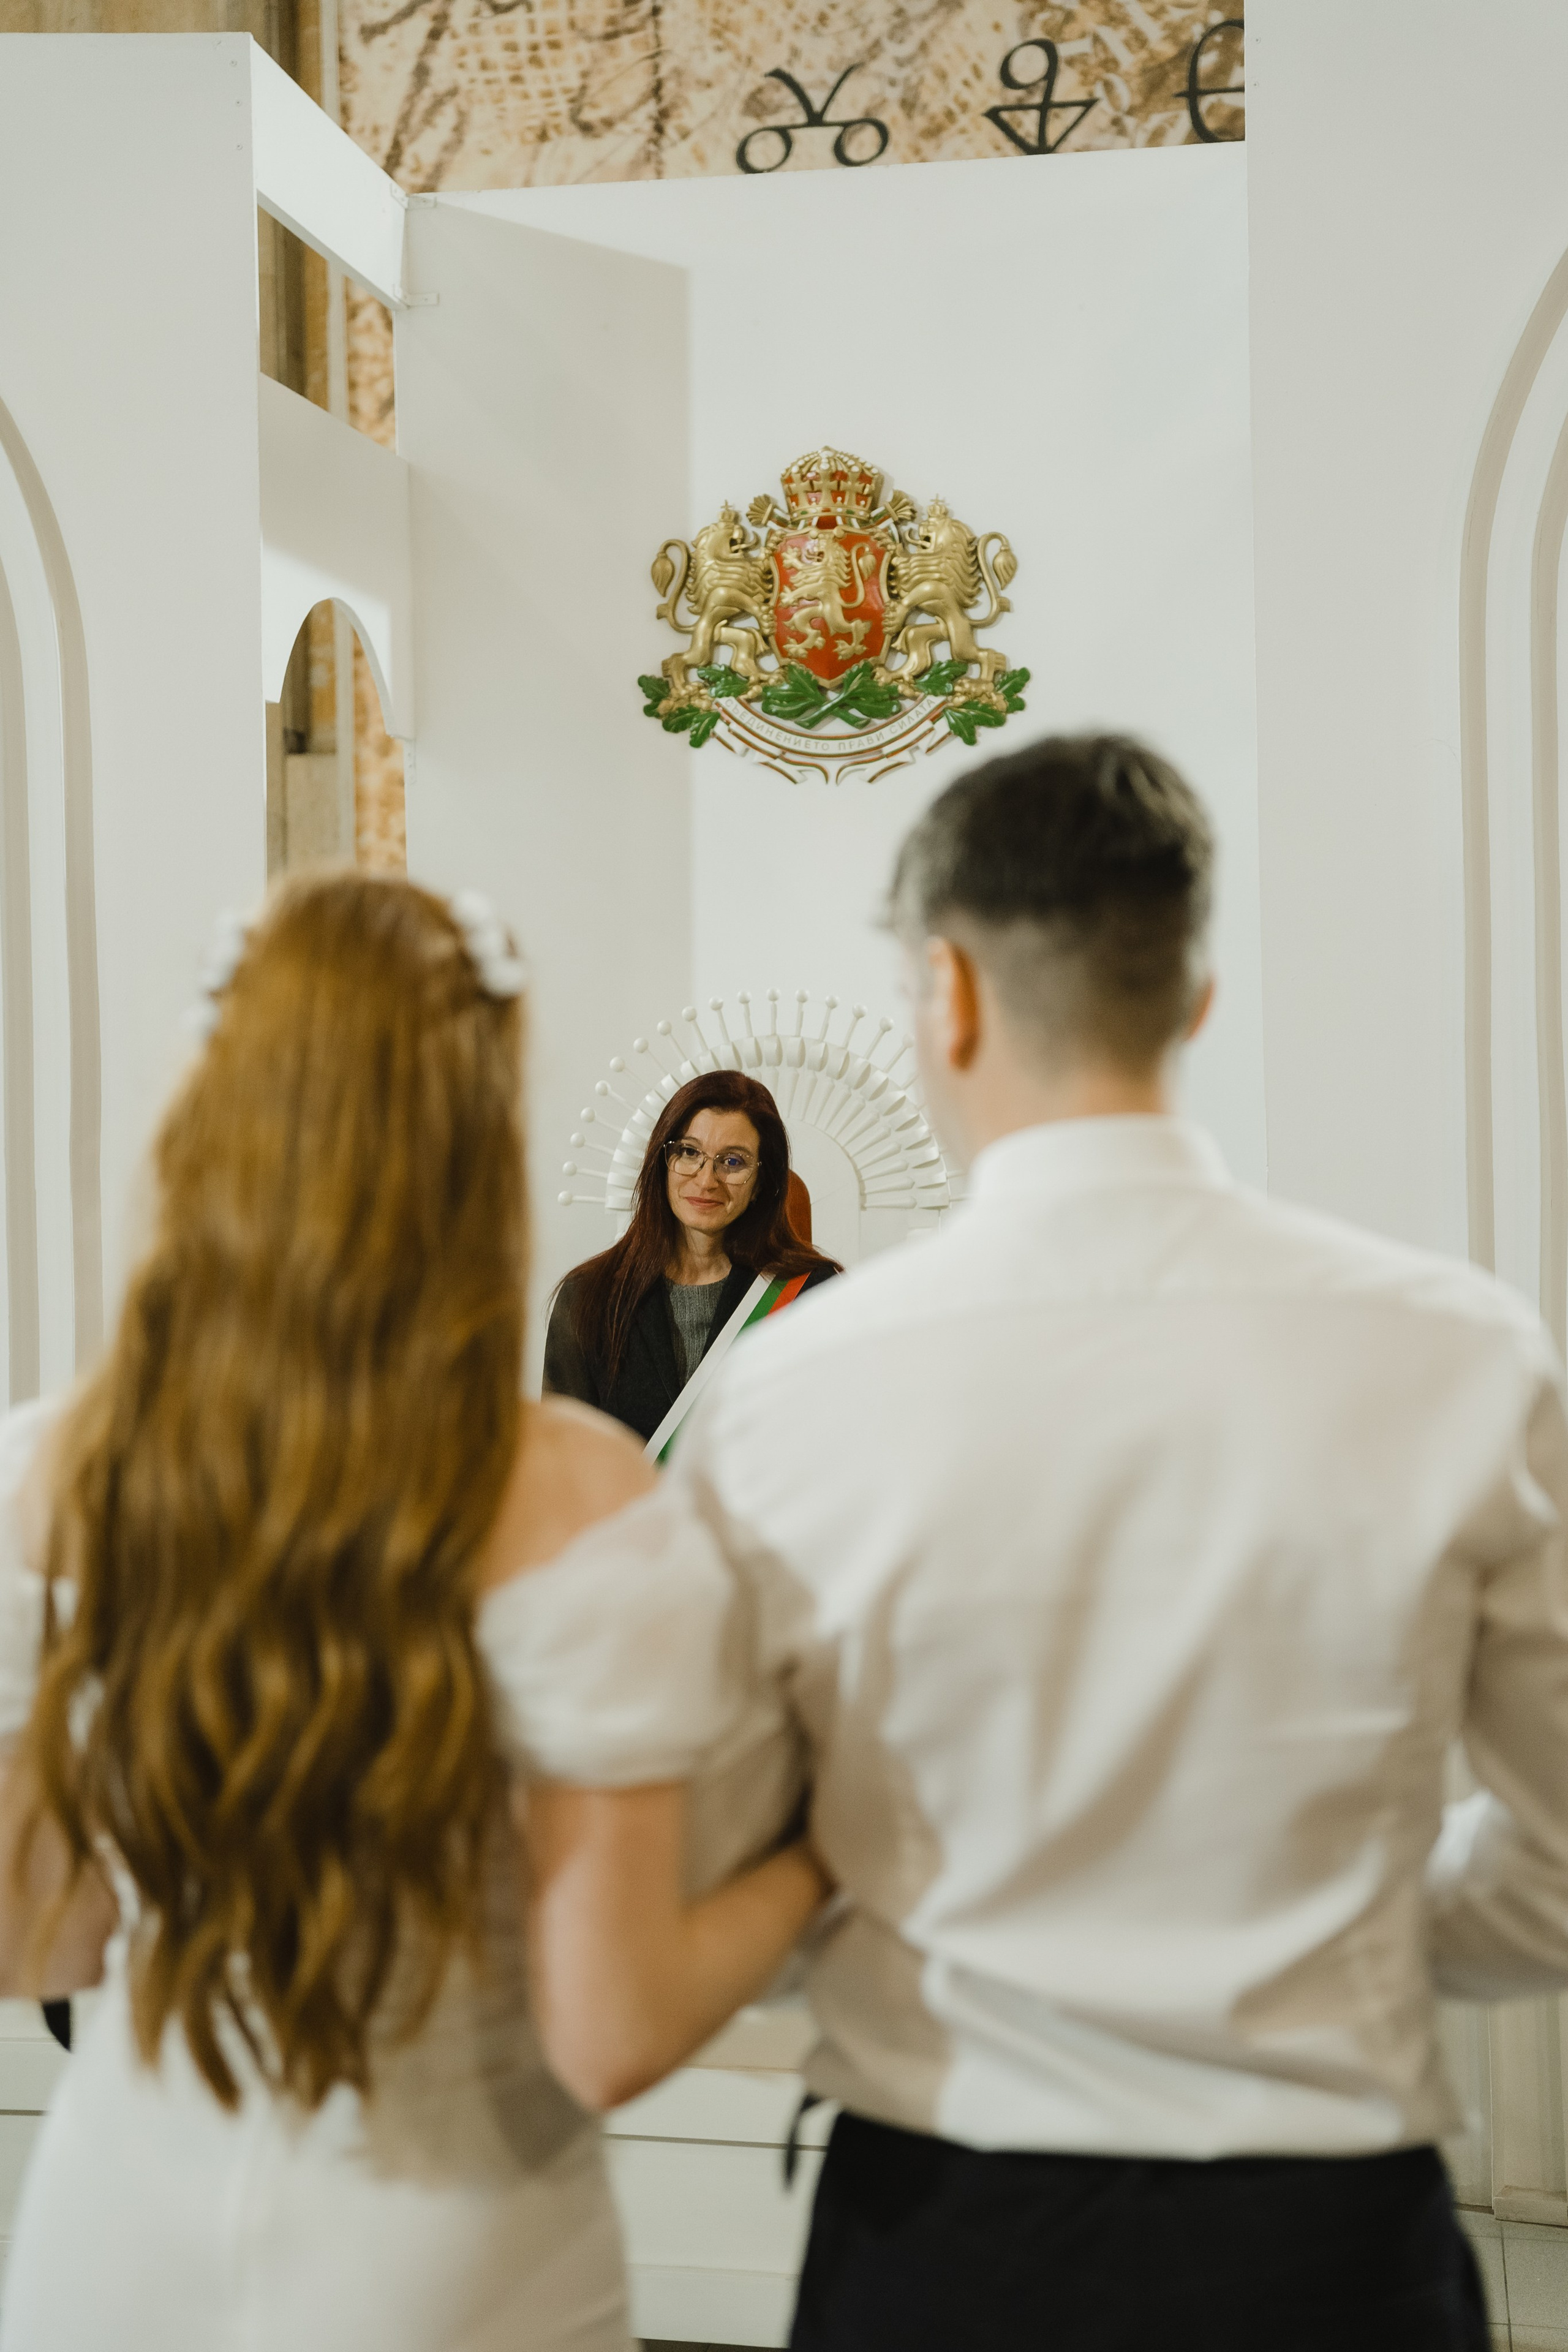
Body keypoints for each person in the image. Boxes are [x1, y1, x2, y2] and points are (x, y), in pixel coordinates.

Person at [664, 734, 1568, 2351]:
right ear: (1195, 997)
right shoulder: (1462, 1352)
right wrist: (1354, 1917)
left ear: (944, 990)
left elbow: (714, 1848)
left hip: (945, 2238)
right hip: (1335, 2246)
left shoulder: (794, 1387)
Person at [0, 873, 828, 2352]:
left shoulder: (51, 1466)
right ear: (477, 1139)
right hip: (449, 2246)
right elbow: (613, 2025)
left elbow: (38, 1941)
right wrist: (829, 1840)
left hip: (112, 2233)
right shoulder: (576, 1499)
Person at [544, 1070, 839, 1456]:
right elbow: (562, 1462)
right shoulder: (587, 1297)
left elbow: (832, 1453)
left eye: (732, 1161)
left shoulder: (813, 1295)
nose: (706, 1180)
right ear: (661, 1162)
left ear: (761, 1183)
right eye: (689, 1152)